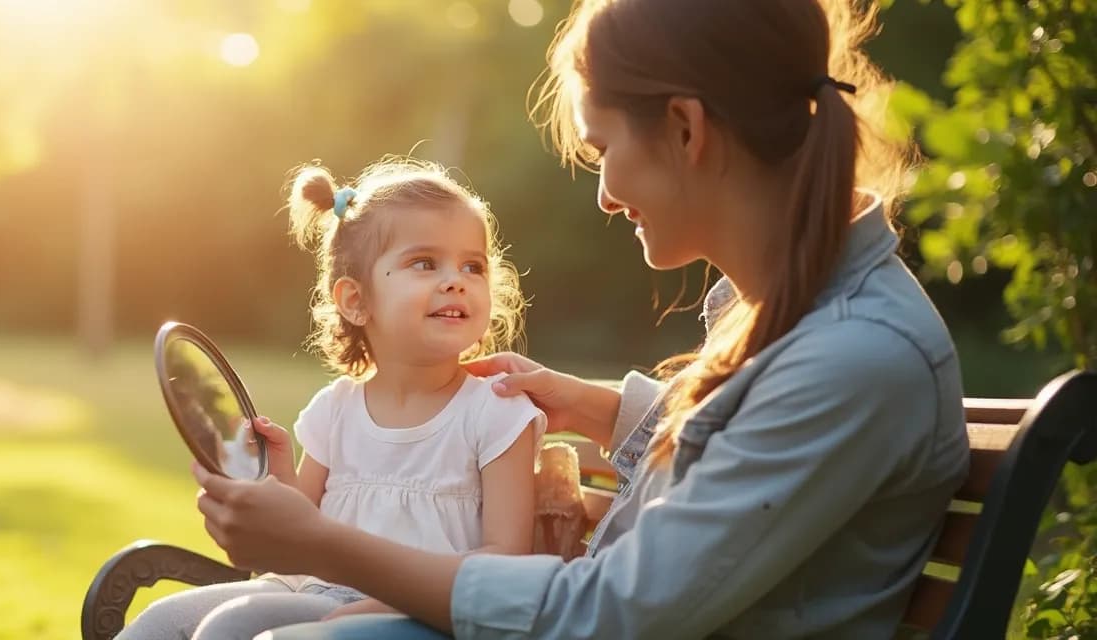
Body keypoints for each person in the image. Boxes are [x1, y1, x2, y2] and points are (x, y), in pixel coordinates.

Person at [189, 0, 970, 637]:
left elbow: (602, 616)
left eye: (602, 153)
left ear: (687, 129)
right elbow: (739, 451)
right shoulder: (793, 317)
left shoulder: (850, 357)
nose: (604, 195)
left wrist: (318, 543)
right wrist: (596, 407)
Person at [118, 159, 545, 640]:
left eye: (473, 265)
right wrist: (276, 478)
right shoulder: (336, 408)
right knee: (157, 625)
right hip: (311, 589)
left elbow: (506, 563)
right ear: (355, 301)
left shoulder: (495, 410)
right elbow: (299, 530)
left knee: (230, 628)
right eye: (424, 263)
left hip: (420, 612)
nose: (456, 279)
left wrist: (384, 601)